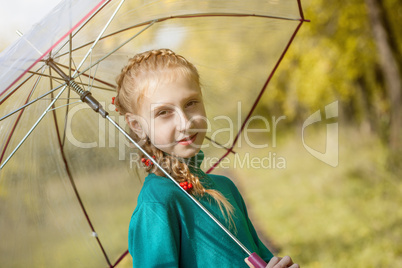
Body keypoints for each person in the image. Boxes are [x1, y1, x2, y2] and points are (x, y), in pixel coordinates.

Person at [114, 48, 299, 268]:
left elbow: (259, 257)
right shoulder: (158, 204)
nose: (185, 123)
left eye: (191, 103)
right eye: (164, 112)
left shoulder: (226, 188)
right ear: (136, 125)